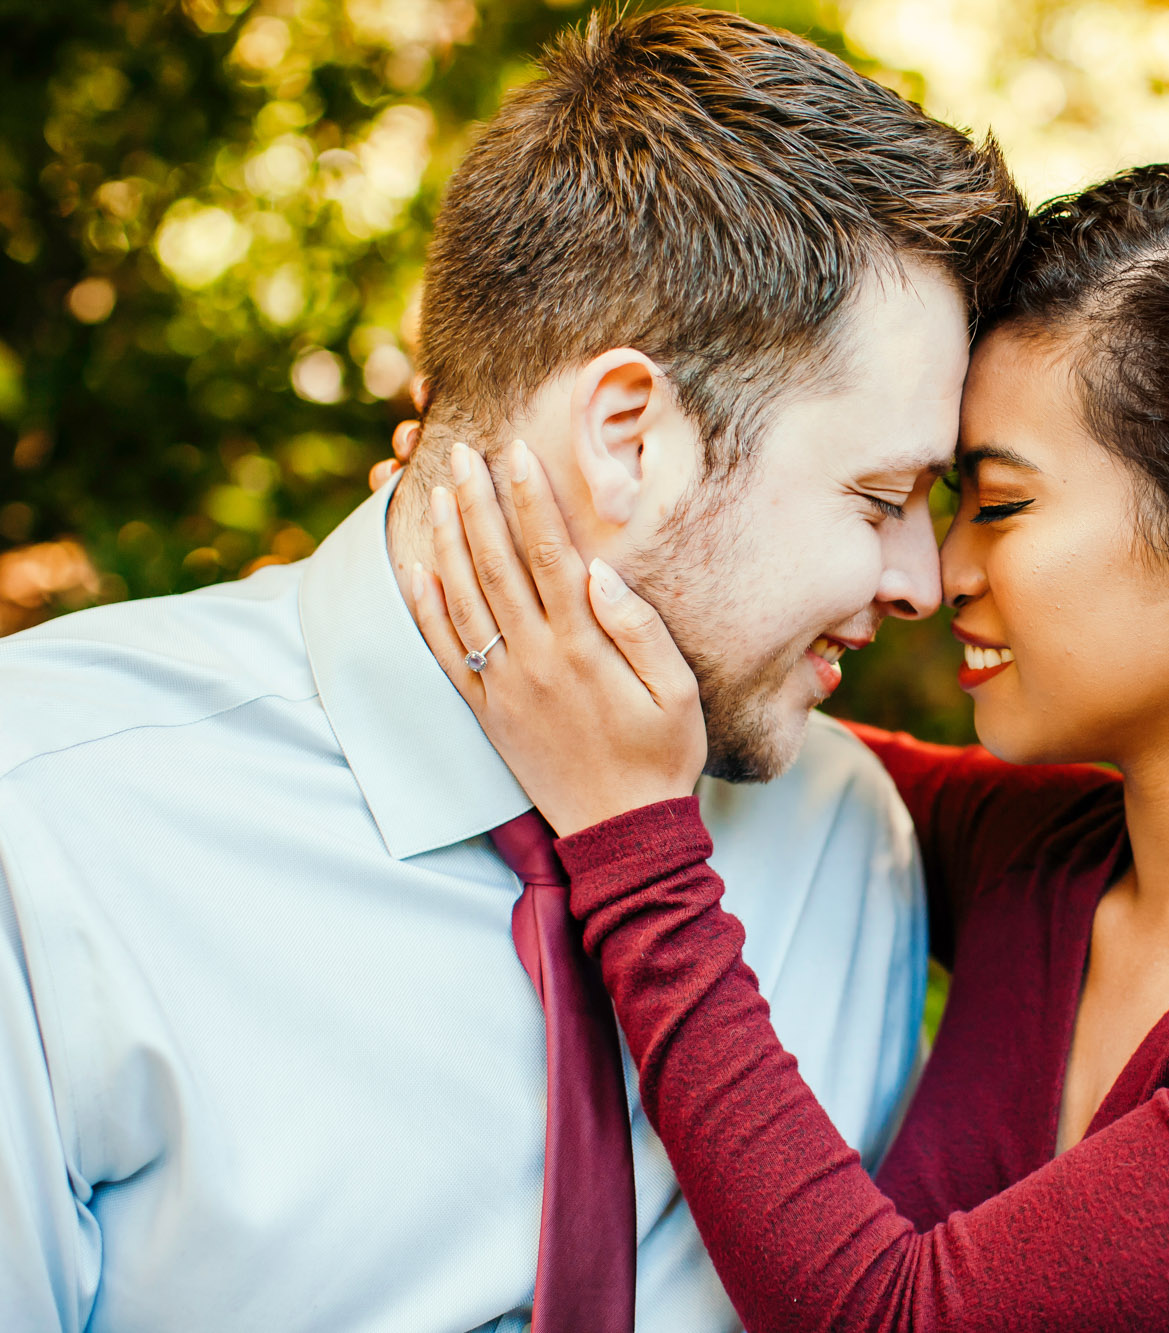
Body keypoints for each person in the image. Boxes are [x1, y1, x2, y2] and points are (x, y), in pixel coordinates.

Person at [413, 160, 1169, 1331]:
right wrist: (540, 554)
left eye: (999, 504)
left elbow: (889, 1317)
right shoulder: (1041, 855)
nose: (941, 575)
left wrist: (633, 847)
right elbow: (672, 712)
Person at [0, 10, 1022, 1332]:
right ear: (626, 439)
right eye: (881, 495)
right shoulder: (49, 821)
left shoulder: (842, 844)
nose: (920, 582)